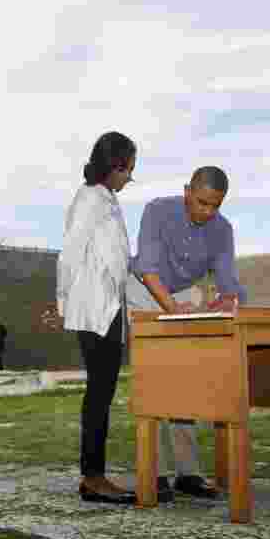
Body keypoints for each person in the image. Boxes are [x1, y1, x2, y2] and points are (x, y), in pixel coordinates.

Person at [127, 165, 248, 501]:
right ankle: (155, 473)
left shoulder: (222, 229)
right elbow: (147, 268)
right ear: (187, 192)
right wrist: (171, 309)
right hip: (145, 290)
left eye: (215, 206)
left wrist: (229, 298)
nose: (207, 212)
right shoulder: (157, 210)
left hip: (182, 294)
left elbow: (227, 280)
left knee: (185, 379)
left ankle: (188, 473)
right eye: (201, 203)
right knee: (154, 378)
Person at [56, 131, 149, 505]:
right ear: (114, 166)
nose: (130, 177)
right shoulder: (90, 199)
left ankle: (93, 475)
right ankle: (92, 478)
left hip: (108, 307)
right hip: (95, 309)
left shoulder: (106, 198)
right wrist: (63, 299)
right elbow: (70, 254)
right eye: (129, 170)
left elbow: (119, 261)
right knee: (99, 393)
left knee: (102, 391)